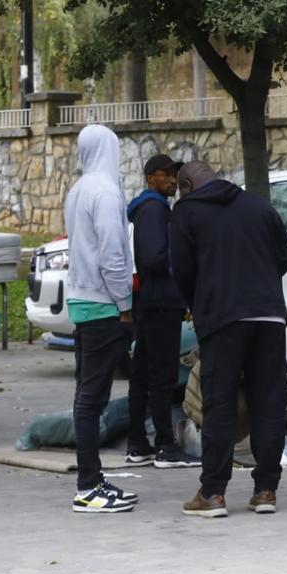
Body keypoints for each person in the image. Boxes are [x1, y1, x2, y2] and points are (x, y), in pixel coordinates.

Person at [169, 161, 287, 518]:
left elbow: (182, 269)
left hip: (222, 318)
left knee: (219, 401)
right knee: (270, 402)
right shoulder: (258, 205)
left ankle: (213, 493)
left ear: (188, 184)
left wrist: (200, 300)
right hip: (269, 316)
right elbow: (283, 256)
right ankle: (266, 490)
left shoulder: (187, 212)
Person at [65, 124, 138, 513]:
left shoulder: (77, 190)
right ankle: (88, 486)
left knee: (87, 395)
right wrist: (125, 304)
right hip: (104, 305)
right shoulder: (107, 192)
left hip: (82, 300)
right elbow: (113, 255)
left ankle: (92, 480)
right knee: (92, 398)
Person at [124, 154, 200, 469]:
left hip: (151, 303)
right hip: (161, 303)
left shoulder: (150, 208)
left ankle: (138, 443)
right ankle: (165, 446)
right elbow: (154, 257)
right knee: (162, 377)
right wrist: (181, 264)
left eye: (174, 175)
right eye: (167, 175)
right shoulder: (154, 209)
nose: (173, 180)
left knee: (142, 374)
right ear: (151, 177)